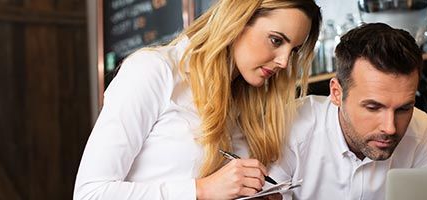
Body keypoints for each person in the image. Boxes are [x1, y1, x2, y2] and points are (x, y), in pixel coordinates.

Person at [74, 1, 321, 199]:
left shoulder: (248, 100)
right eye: (276, 40)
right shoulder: (153, 71)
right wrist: (200, 190)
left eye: (294, 50)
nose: (284, 62)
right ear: (238, 20)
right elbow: (91, 193)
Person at [268, 23, 427, 199]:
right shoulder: (288, 126)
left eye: (403, 109)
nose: (390, 128)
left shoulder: (423, 131)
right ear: (337, 93)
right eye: (373, 107)